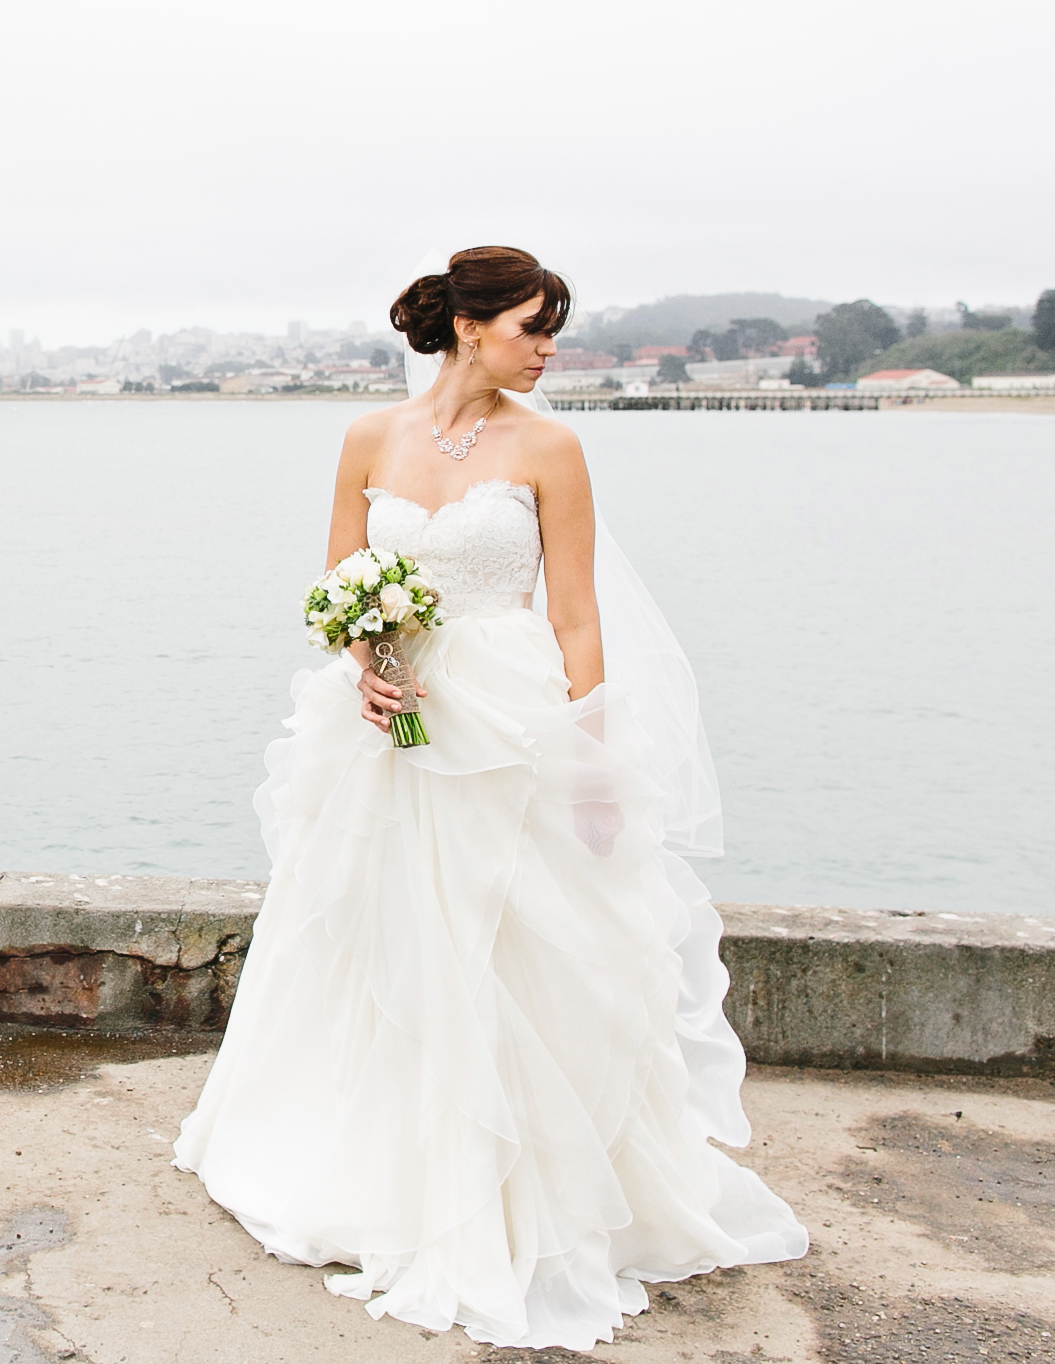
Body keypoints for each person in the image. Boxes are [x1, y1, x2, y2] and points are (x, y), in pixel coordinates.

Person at [173, 245, 806, 1349]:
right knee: (374, 930)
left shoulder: (551, 446)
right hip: (392, 721)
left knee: (512, 937)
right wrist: (365, 658)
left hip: (507, 721)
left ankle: (518, 1185)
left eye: (551, 328)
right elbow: (336, 581)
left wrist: (594, 760)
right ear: (467, 327)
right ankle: (378, 1165)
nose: (548, 348)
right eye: (532, 327)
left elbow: (575, 616)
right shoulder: (369, 437)